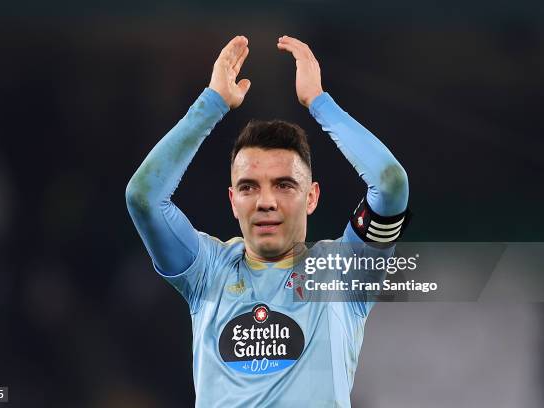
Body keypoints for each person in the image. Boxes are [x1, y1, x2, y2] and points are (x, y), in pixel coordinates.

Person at [126, 35, 409, 407]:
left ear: (312, 197)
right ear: (233, 201)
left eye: (284, 185)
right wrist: (210, 103)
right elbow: (143, 197)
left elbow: (390, 184)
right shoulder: (208, 272)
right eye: (248, 187)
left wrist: (319, 103)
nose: (266, 202)